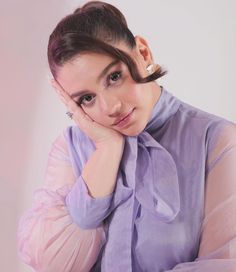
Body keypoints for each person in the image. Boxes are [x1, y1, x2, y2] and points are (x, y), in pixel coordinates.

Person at [17, 1, 236, 271]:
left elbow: (224, 263)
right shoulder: (71, 147)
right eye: (87, 98)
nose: (110, 108)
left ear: (142, 52)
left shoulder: (218, 141)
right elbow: (55, 263)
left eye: (114, 77)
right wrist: (107, 149)